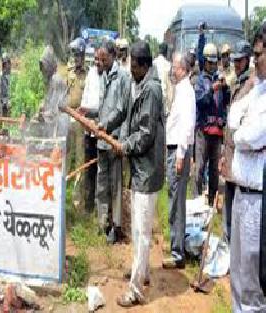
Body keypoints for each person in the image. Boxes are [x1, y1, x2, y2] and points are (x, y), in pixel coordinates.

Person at [106, 40, 164, 307]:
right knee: (140, 228)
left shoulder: (151, 90)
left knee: (140, 231)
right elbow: (125, 114)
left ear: (143, 65)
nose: (130, 70)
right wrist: (105, 126)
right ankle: (143, 271)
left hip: (147, 170)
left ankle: (136, 290)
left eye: (133, 65)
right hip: (140, 169)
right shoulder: (138, 85)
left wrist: (124, 146)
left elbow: (146, 134)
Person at [228, 29, 266, 312]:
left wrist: (242, 136)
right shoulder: (258, 89)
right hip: (242, 192)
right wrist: (242, 135)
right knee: (237, 271)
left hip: (258, 199)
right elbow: (232, 120)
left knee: (252, 281)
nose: (254, 62)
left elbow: (252, 136)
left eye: (258, 55)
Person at [163, 53, 196, 269]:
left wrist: (181, 155)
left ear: (182, 69)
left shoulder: (187, 93)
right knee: (174, 198)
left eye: (174, 67)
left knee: (177, 202)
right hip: (175, 150)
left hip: (179, 150)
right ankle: (176, 247)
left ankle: (178, 253)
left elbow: (187, 126)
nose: (172, 71)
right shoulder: (181, 90)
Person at [97, 40, 130, 243]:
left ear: (113, 56)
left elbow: (122, 111)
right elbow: (104, 106)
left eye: (103, 57)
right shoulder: (104, 76)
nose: (100, 61)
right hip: (101, 139)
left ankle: (116, 227)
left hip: (114, 139)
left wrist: (121, 140)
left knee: (116, 185)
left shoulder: (123, 77)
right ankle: (103, 223)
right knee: (102, 184)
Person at [219, 40, 251, 243]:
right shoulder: (237, 82)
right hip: (231, 152)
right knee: (229, 204)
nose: (236, 64)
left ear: (248, 60)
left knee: (237, 209)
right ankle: (228, 245)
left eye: (240, 60)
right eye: (235, 60)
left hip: (242, 156)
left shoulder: (251, 85)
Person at [194, 43, 230, 206]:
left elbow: (227, 102)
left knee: (214, 171)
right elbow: (200, 102)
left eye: (215, 62)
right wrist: (212, 90)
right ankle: (196, 201)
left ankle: (211, 202)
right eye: (210, 62)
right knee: (200, 168)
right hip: (203, 130)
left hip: (217, 132)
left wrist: (225, 88)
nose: (213, 65)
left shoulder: (219, 78)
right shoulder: (200, 80)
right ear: (205, 62)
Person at [78, 48, 104, 213]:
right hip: (89, 129)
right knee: (89, 168)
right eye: (94, 59)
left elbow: (104, 106)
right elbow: (85, 98)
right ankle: (88, 207)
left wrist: (91, 111)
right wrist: (84, 113)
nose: (96, 62)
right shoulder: (91, 74)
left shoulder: (109, 75)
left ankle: (100, 206)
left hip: (103, 130)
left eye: (99, 59)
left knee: (102, 170)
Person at [66, 38, 87, 209]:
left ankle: (76, 199)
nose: (76, 57)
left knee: (80, 160)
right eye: (74, 54)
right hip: (67, 118)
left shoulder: (88, 74)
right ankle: (61, 195)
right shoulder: (68, 72)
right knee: (65, 157)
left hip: (80, 120)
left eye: (79, 54)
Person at [153, 42, 171, 116]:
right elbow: (169, 87)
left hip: (154, 96)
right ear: (166, 52)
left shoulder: (153, 63)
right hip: (163, 97)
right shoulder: (168, 65)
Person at [0, 53, 11, 117]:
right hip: (5, 102)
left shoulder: (9, 75)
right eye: (4, 64)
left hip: (8, 100)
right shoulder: (3, 76)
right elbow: (4, 90)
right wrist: (5, 101)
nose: (6, 65)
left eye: (7, 63)